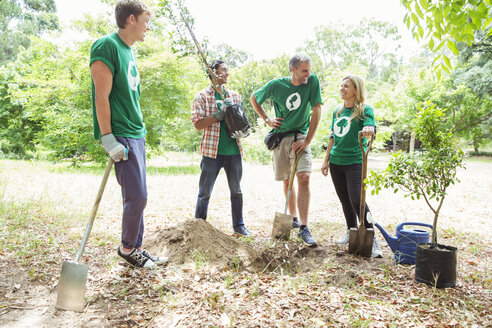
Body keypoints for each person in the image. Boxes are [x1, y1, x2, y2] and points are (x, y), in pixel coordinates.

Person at [90, 0, 167, 268]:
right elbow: (102, 96)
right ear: (131, 19)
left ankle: (136, 247)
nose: (149, 26)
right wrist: (107, 137)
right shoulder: (106, 46)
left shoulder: (130, 51)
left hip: (137, 133)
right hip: (120, 133)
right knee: (138, 196)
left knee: (138, 195)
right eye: (146, 20)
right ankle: (126, 248)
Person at [250, 54, 322, 246]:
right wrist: (267, 119)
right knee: (287, 180)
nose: (308, 74)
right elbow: (254, 98)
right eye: (303, 71)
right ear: (293, 70)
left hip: (300, 136)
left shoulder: (312, 81)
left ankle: (304, 228)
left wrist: (307, 140)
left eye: (309, 70)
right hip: (281, 137)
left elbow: (317, 110)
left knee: (304, 177)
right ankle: (293, 219)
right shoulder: (276, 85)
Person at [320, 75, 383, 258]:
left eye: (346, 86)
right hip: (336, 161)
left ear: (356, 90)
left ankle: (371, 237)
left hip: (355, 161)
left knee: (357, 199)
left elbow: (370, 124)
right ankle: (351, 230)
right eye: (341, 85)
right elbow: (333, 136)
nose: (342, 88)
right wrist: (326, 160)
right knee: (345, 200)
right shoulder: (337, 111)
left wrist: (369, 129)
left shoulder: (364, 110)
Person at [191, 60, 251, 236]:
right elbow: (197, 124)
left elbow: (243, 121)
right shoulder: (202, 96)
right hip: (212, 153)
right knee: (204, 192)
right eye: (223, 70)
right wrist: (218, 115)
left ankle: (239, 227)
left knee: (236, 191)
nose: (227, 73)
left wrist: (242, 131)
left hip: (233, 152)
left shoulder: (233, 95)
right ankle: (199, 227)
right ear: (212, 72)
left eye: (227, 70)